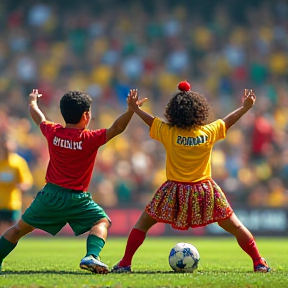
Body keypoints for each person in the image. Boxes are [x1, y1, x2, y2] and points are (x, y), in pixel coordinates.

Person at [112, 81, 271, 273]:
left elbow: (151, 120)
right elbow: (229, 120)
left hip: (173, 190)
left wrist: (135, 109)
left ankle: (125, 263)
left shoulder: (167, 132)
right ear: (200, 111)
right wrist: (245, 108)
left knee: (143, 223)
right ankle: (259, 262)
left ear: (173, 112)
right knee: (235, 226)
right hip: (205, 189)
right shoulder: (208, 132)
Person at [0, 88, 144, 274]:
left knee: (18, 229)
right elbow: (117, 128)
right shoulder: (89, 138)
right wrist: (131, 110)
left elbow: (39, 119)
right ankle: (92, 255)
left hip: (49, 196)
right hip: (77, 199)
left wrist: (33, 103)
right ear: (86, 115)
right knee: (101, 222)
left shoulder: (53, 132)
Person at [0, 133, 33, 236]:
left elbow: (27, 181)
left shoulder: (18, 162)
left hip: (12, 204)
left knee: (11, 232)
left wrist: (21, 186)